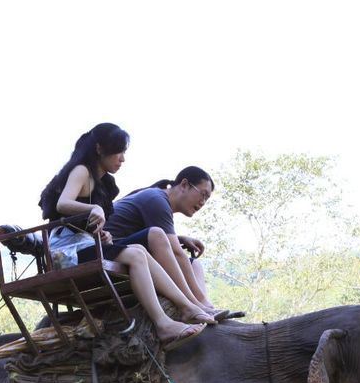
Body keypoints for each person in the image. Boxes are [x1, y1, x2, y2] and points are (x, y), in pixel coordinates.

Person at [37, 123, 214, 348]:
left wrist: (105, 237)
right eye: (118, 151)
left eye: (124, 153)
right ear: (100, 149)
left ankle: (187, 307)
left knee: (139, 250)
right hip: (67, 250)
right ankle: (163, 323)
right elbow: (63, 203)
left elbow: (91, 225)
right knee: (136, 255)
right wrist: (93, 209)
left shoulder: (103, 185)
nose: (122, 159)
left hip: (86, 244)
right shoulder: (82, 170)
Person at [104, 167, 225, 317]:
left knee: (195, 264)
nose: (203, 202)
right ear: (184, 185)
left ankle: (205, 305)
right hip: (106, 248)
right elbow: (175, 252)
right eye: (203, 194)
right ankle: (195, 305)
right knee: (159, 236)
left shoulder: (159, 200)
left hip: (128, 247)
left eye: (207, 199)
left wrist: (179, 239)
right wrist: (198, 301)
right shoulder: (156, 199)